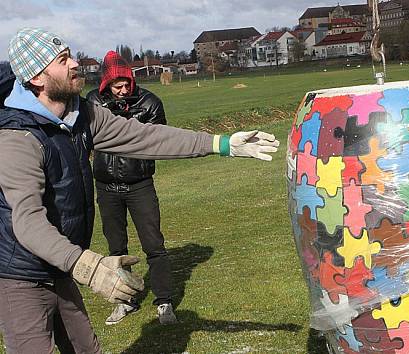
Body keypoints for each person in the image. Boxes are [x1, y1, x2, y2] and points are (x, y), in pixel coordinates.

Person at [0, 28, 279, 354]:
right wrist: (88, 267)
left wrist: (221, 143)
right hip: (19, 274)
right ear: (37, 78)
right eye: (63, 61)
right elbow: (27, 222)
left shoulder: (80, 114)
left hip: (60, 266)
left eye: (70, 55)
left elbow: (144, 137)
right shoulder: (17, 138)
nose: (75, 64)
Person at [85, 51, 175, 325]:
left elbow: (159, 140)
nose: (123, 90)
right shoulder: (93, 102)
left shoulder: (149, 103)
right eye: (117, 86)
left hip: (139, 184)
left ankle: (165, 301)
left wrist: (129, 121)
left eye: (127, 85)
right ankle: (125, 302)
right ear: (106, 85)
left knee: (154, 244)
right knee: (116, 249)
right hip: (106, 185)